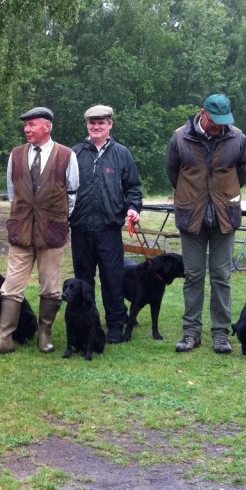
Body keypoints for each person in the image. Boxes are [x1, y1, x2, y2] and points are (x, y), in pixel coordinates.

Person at [0, 107, 79, 355]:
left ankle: (44, 334)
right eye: (25, 125)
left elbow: (72, 194)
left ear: (47, 126)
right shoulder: (16, 154)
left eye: (32, 124)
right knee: (11, 286)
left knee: (51, 287)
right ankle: (4, 338)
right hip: (21, 231)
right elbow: (14, 194)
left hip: (51, 233)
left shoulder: (67, 155)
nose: (26, 129)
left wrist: (56, 220)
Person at [166, 94, 246, 354]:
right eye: (216, 122)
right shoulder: (179, 138)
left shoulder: (238, 138)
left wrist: (223, 194)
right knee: (192, 276)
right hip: (190, 215)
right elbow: (173, 172)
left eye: (224, 122)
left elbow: (243, 171)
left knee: (221, 276)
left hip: (225, 215)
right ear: (202, 113)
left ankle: (221, 334)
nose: (220, 127)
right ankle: (191, 332)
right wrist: (192, 196)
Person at [70, 104, 144, 344]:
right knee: (83, 280)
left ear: (110, 125)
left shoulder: (122, 153)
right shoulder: (75, 153)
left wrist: (133, 208)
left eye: (101, 122)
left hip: (109, 228)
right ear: (87, 125)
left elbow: (133, 187)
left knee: (112, 278)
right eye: (92, 123)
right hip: (80, 227)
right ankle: (85, 321)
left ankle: (115, 324)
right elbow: (64, 188)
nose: (96, 126)